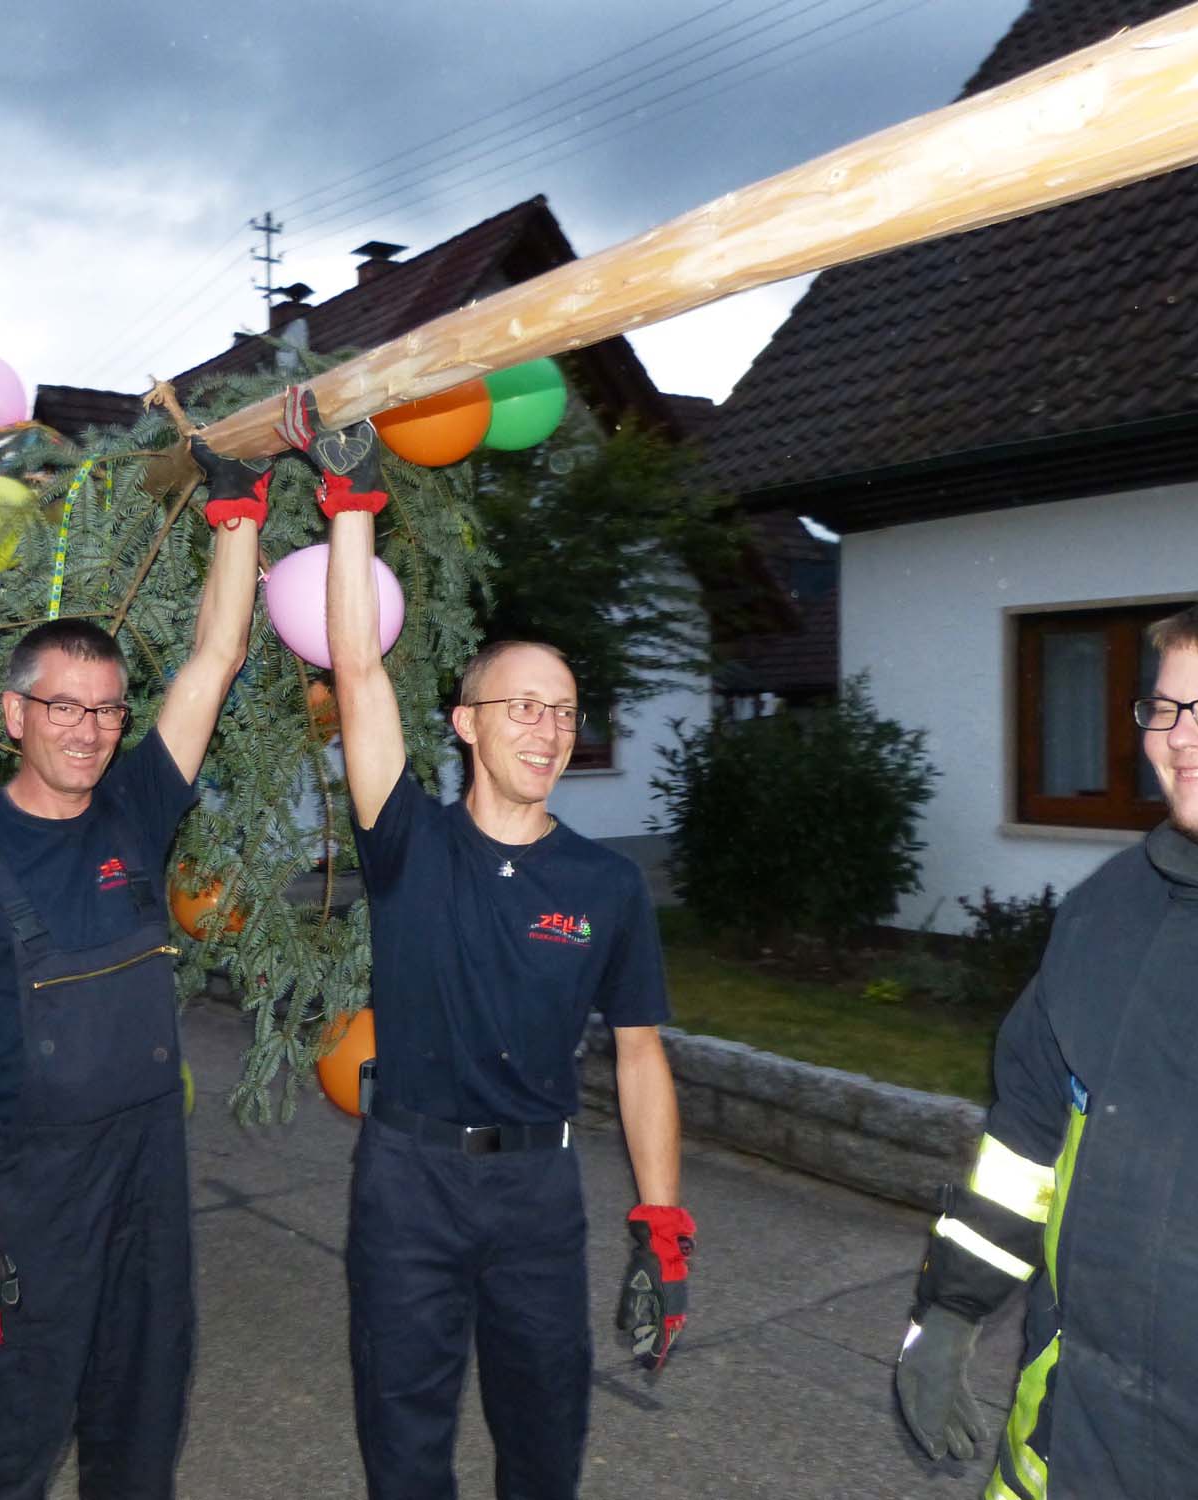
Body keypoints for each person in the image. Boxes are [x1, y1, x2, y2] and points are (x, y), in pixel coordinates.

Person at [894, 588, 1198, 1499]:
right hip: (1070, 1449)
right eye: (1165, 707)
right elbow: (1024, 1142)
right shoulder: (1105, 913)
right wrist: (950, 1312)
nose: (1182, 736)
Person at [0, 443, 266, 1500]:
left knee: (140, 1422)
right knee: (6, 1439)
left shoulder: (137, 809)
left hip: (146, 1167)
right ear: (14, 716)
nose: (89, 731)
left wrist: (235, 511)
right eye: (62, 707)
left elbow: (213, 659)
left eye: (103, 710)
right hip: (24, 1190)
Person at [312, 416, 692, 1500]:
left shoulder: (606, 885)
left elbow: (637, 1056)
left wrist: (662, 1222)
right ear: (464, 724)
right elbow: (354, 665)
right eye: (521, 706)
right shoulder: (407, 843)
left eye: (564, 712)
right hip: (406, 1182)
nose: (547, 728)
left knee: (543, 1439)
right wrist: (350, 506)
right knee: (403, 1438)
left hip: (537, 1189)